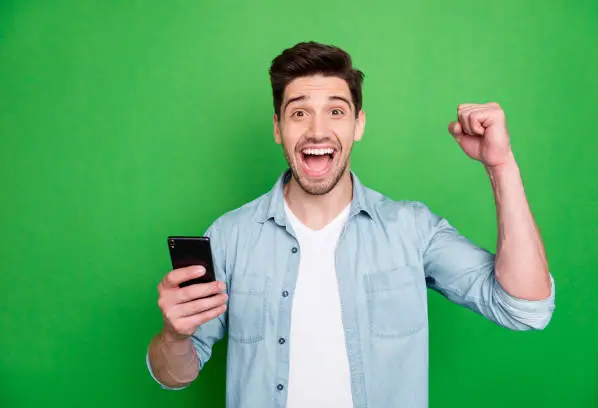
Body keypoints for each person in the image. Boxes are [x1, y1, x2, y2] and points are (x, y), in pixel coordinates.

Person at [146, 41, 555, 408]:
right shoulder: (229, 235)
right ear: (278, 129)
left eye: (336, 112)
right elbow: (175, 374)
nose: (317, 130)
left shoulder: (411, 229)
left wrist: (500, 166)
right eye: (299, 112)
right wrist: (174, 337)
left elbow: (525, 308)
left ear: (358, 124)